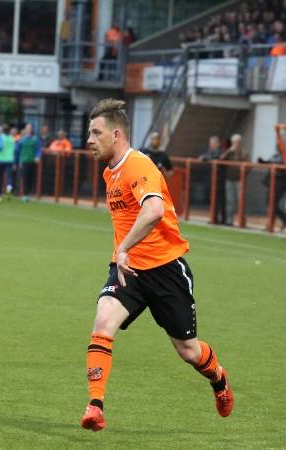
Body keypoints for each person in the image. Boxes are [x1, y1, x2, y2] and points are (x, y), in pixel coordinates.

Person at [80, 99, 233, 432]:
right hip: (128, 270)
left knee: (189, 351)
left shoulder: (138, 166)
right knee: (103, 321)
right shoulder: (110, 172)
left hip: (165, 270)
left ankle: (219, 379)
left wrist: (124, 247)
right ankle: (95, 406)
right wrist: (123, 254)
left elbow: (154, 211)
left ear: (116, 134)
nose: (89, 140)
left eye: (95, 133)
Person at [221, 134, 247, 225]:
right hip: (229, 179)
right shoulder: (229, 153)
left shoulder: (244, 153)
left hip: (239, 180)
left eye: (238, 142)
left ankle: (242, 221)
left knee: (241, 201)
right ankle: (229, 220)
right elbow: (221, 159)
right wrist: (229, 151)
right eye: (234, 142)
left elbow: (248, 166)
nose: (236, 144)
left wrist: (243, 175)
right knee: (230, 200)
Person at [15, 123, 41, 202]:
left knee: (30, 178)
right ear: (25, 129)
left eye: (30, 128)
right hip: (24, 161)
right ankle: (24, 194)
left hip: (32, 161)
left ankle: (27, 194)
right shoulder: (22, 140)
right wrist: (17, 161)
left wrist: (37, 156)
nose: (29, 129)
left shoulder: (35, 139)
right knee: (24, 178)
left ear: (32, 129)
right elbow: (17, 150)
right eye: (27, 128)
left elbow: (38, 149)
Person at [0, 125, 16, 202]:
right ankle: (9, 188)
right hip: (9, 159)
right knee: (9, 176)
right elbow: (14, 149)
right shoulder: (12, 138)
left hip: (0, 159)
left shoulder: (0, 137)